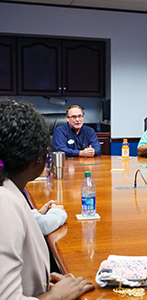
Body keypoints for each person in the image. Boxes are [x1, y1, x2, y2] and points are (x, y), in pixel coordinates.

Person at [0, 99, 94, 299]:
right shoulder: (4, 203)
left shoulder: (9, 191)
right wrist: (57, 296)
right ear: (38, 159)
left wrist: (37, 278)